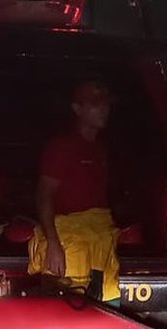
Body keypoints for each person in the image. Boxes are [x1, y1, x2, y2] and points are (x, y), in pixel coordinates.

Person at [28, 80, 121, 305]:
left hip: (99, 245)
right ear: (77, 109)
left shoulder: (99, 149)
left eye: (106, 104)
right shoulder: (61, 147)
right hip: (70, 246)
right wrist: (53, 244)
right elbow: (44, 194)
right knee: (66, 317)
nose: (103, 109)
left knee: (108, 311)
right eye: (95, 104)